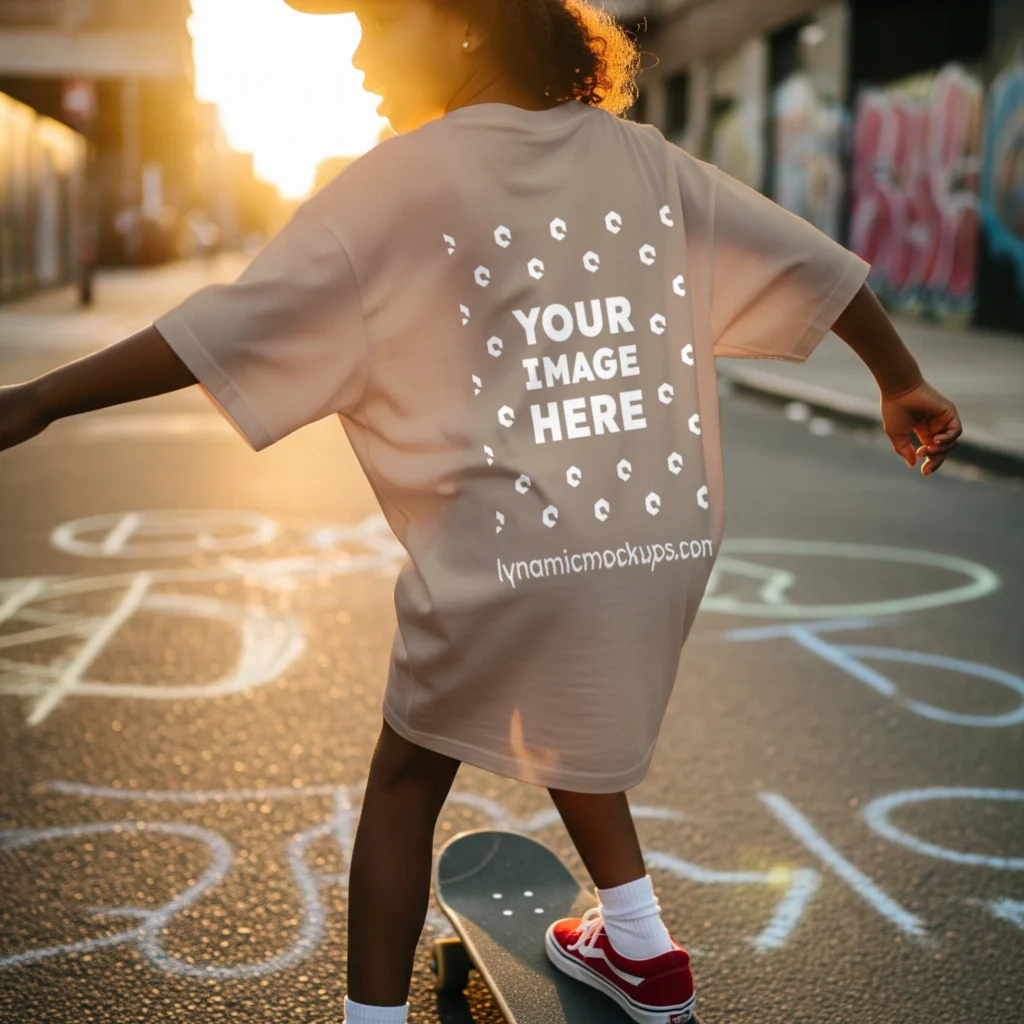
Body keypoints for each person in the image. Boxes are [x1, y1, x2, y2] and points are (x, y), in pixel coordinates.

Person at [0, 1, 963, 1022]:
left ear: (463, 27)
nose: (360, 56)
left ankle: (370, 1019)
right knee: (559, 701)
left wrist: (42, 397)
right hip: (657, 535)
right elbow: (813, 264)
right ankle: (639, 947)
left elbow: (223, 328)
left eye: (375, 27)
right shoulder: (644, 160)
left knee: (407, 780)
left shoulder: (398, 179)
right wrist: (899, 380)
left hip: (511, 548)